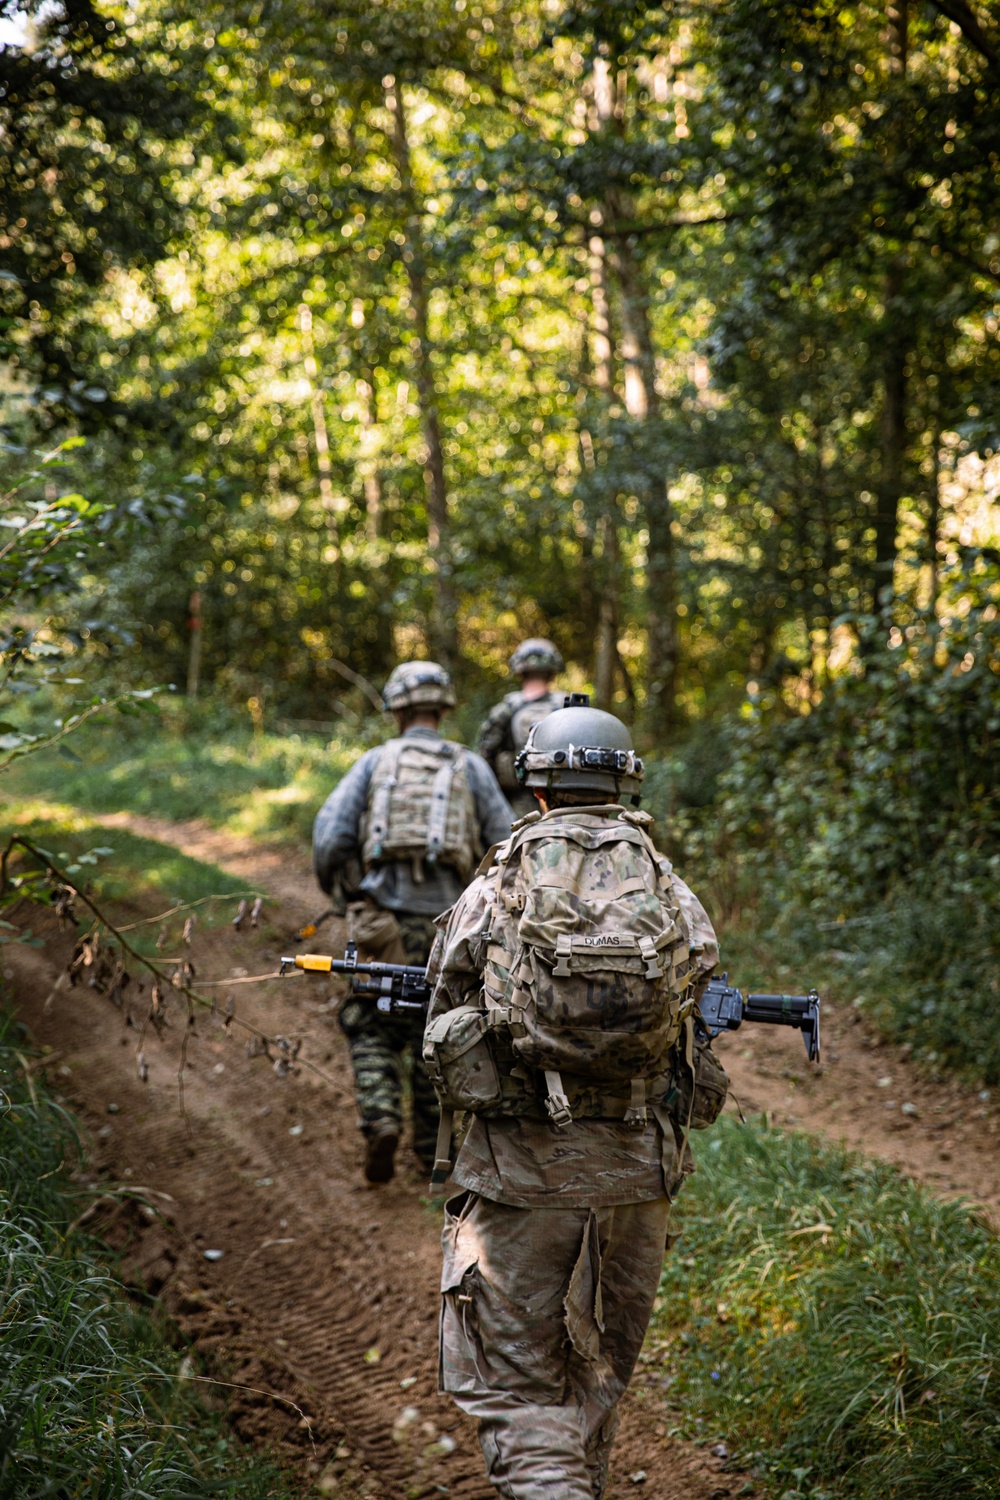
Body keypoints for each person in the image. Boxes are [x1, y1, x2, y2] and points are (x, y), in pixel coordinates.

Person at [423, 702, 723, 1499]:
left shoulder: (499, 885)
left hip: (521, 1178)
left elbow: (443, 1022)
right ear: (624, 784)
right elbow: (699, 1009)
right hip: (637, 1179)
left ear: (537, 787)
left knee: (522, 1398)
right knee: (597, 1382)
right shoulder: (666, 885)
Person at [312, 660, 513, 1185]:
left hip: (383, 924)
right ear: (443, 708)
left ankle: (381, 1118)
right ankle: (432, 1154)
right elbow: (508, 843)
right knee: (442, 1029)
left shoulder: (375, 762)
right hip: (455, 931)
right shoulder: (471, 765)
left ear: (395, 708)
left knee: (371, 1021)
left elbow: (331, 837)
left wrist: (345, 892)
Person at [476, 637, 566, 818]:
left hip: (518, 800)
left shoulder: (506, 709)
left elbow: (485, 755)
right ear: (552, 670)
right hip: (565, 797)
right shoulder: (567, 706)